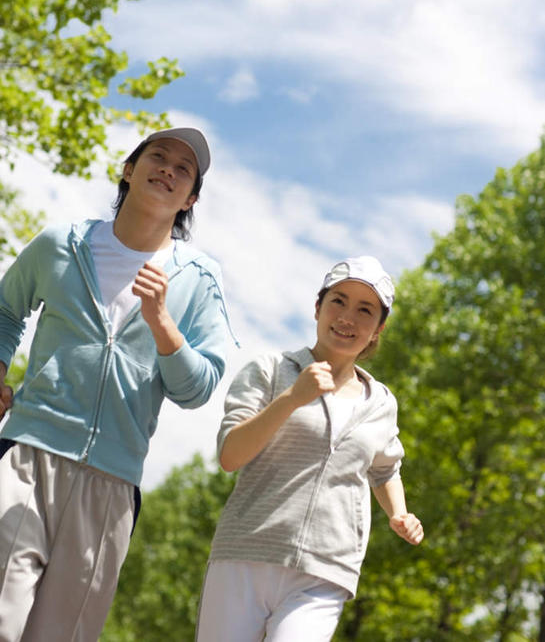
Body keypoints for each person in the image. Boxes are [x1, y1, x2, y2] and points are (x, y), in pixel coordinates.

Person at [0, 126, 232, 642]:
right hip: (27, 455)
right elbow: (6, 309)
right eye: (158, 156)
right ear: (129, 170)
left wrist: (163, 324)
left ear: (190, 199)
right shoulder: (62, 243)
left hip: (112, 485)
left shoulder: (199, 280)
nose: (168, 168)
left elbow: (198, 389)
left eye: (184, 169)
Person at [196, 256, 424, 642]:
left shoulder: (381, 402)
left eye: (364, 310)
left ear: (378, 329)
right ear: (318, 307)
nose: (347, 317)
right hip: (245, 554)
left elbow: (385, 468)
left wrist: (399, 513)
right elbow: (230, 455)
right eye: (338, 301)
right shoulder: (269, 369)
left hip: (326, 572)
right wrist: (291, 399)